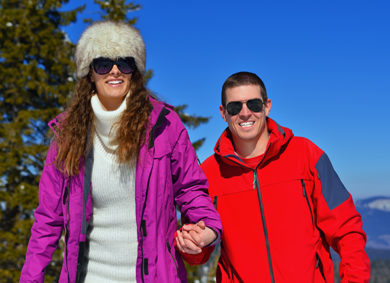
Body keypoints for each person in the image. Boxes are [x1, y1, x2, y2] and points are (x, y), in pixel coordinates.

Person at [20, 20, 221, 283]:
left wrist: (209, 227)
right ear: (90, 72)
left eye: (124, 62)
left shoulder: (164, 125)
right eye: (103, 63)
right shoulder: (67, 135)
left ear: (133, 71)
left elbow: (190, 189)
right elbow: (48, 218)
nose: (114, 71)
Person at [176, 72, 370, 282]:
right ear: (223, 113)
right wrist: (191, 246)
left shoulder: (306, 155)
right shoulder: (208, 174)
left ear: (267, 106)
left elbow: (347, 230)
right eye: (235, 107)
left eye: (254, 104)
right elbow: (198, 253)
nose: (245, 113)